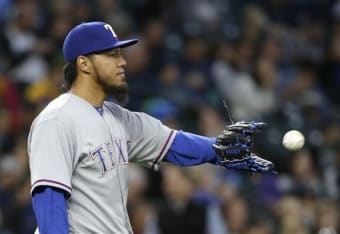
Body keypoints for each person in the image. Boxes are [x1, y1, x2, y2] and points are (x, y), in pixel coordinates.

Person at [27, 21, 275, 233]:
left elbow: (173, 144)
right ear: (84, 64)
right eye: (112, 55)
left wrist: (220, 150)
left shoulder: (118, 118)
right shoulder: (57, 120)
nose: (122, 61)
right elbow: (49, 200)